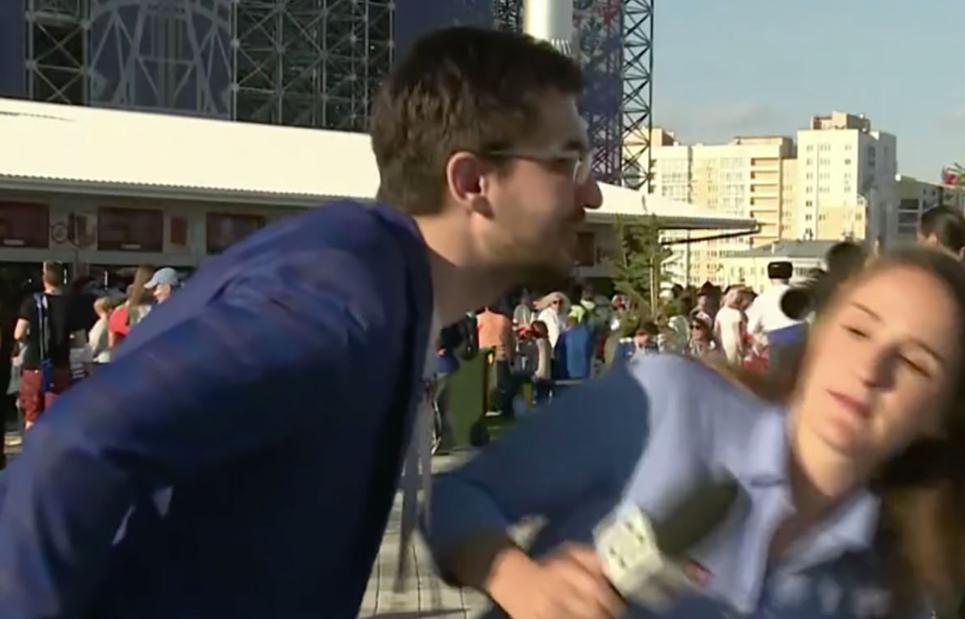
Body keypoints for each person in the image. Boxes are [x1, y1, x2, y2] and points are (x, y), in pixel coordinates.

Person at [0, 26, 602, 619]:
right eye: (569, 163)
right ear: (472, 182)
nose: (593, 195)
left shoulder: (381, 294)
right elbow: (73, 451)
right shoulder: (338, 309)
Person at [425, 248, 965, 619]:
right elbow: (455, 498)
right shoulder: (666, 402)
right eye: (858, 331)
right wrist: (520, 583)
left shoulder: (887, 591)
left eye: (913, 363)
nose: (870, 371)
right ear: (818, 335)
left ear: (943, 416)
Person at [11, 261, 80, 431]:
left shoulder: (32, 302)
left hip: (34, 364)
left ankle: (32, 453)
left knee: (32, 415)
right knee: (57, 415)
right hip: (61, 366)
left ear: (44, 279)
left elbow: (18, 333)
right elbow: (80, 340)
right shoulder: (71, 304)